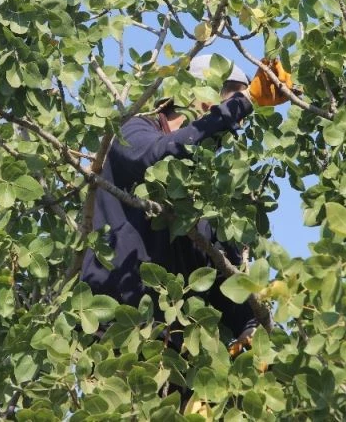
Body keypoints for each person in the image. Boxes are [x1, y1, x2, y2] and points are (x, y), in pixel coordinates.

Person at [80, 54, 292, 350]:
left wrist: (252, 328)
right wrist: (246, 100)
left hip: (173, 355)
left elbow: (226, 278)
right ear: (201, 97)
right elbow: (163, 155)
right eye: (229, 110)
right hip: (112, 331)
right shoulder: (133, 131)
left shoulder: (205, 193)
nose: (231, 128)